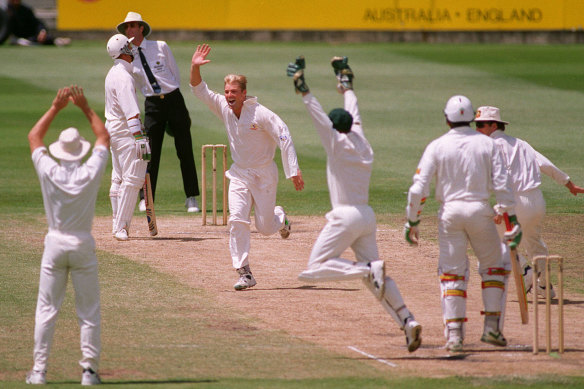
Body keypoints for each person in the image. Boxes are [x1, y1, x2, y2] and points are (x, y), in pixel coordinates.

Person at [288, 56, 423, 352]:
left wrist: (303, 87)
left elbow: (318, 117)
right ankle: (408, 321)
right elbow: (354, 110)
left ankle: (365, 268)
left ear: (335, 130)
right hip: (366, 215)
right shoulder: (361, 140)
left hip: (345, 216)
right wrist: (346, 84)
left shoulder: (336, 144)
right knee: (378, 280)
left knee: (312, 269)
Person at [404, 95, 521, 352]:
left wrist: (412, 220)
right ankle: (491, 327)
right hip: (480, 211)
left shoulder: (437, 145)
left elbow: (418, 189)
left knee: (452, 273)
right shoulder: (487, 145)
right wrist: (511, 219)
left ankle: (454, 336)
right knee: (494, 266)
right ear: (472, 118)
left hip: (450, 214)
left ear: (446, 119)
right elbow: (502, 185)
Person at [190, 43, 304, 291]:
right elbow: (199, 90)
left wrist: (293, 170)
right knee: (238, 221)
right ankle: (245, 272)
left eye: (233, 92)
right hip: (240, 173)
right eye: (226, 91)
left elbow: (284, 136)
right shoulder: (224, 107)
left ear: (244, 93)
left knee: (264, 228)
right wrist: (194, 67)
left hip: (264, 174)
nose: (228, 95)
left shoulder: (260, 114)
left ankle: (280, 218)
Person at [26, 86, 109, 385]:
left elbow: (34, 137)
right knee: (88, 311)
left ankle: (38, 371)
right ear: (81, 150)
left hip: (55, 243)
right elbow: (103, 137)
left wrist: (55, 107)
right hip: (82, 243)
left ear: (60, 151)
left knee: (46, 310)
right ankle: (89, 372)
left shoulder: (49, 169)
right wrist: (86, 107)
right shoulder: (91, 170)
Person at [475, 106, 584, 299]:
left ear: (493, 125)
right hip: (536, 202)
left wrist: (501, 208)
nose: (477, 129)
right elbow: (546, 165)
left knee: (491, 238)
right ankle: (544, 286)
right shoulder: (521, 143)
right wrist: (569, 184)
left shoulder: (492, 146)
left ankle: (525, 272)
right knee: (535, 244)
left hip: (514, 201)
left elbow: (504, 177)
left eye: (481, 125)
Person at [116, 12, 201, 213]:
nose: (129, 30)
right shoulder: (127, 56)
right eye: (126, 27)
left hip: (173, 99)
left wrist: (168, 92)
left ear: (141, 28)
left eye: (133, 26)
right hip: (152, 105)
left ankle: (191, 197)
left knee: (185, 149)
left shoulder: (160, 46)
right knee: (149, 154)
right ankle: (146, 198)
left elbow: (175, 75)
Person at [105, 33, 151, 241]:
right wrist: (140, 137)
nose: (133, 49)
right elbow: (131, 111)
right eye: (129, 47)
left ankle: (117, 221)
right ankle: (121, 226)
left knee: (118, 176)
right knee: (133, 178)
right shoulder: (123, 77)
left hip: (113, 129)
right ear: (124, 51)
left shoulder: (113, 72)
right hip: (124, 131)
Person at [5, 0, 70, 46]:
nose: (16, 1)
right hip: (16, 38)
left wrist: (42, 31)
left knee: (43, 38)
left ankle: (57, 41)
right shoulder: (4, 11)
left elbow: (37, 23)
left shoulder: (26, 10)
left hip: (30, 36)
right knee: (19, 41)